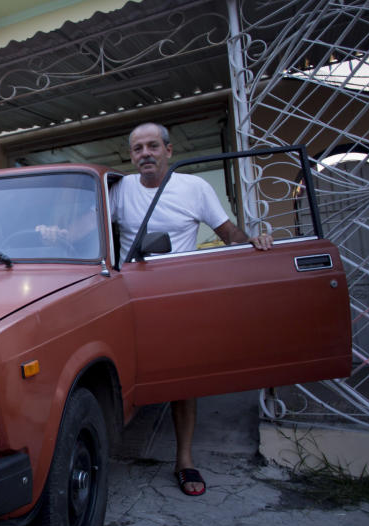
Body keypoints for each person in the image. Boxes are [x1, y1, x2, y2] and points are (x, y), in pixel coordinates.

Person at [115, 122, 272, 496]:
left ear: (169, 151)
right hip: (127, 295)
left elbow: (227, 234)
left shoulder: (194, 188)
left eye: (153, 146)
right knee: (123, 372)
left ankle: (184, 460)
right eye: (138, 149)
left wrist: (253, 240)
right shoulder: (118, 190)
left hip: (176, 294)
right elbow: (91, 229)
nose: (145, 154)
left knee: (181, 382)